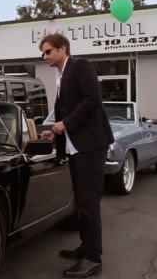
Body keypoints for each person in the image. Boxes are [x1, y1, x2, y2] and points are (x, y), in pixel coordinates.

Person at [39, 33, 114, 278]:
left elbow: (93, 100)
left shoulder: (80, 66)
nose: (45, 56)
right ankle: (86, 247)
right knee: (82, 203)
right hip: (74, 148)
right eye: (43, 52)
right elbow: (66, 109)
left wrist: (65, 124)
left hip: (91, 146)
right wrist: (54, 132)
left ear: (62, 49)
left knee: (89, 204)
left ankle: (93, 258)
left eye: (48, 51)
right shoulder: (62, 74)